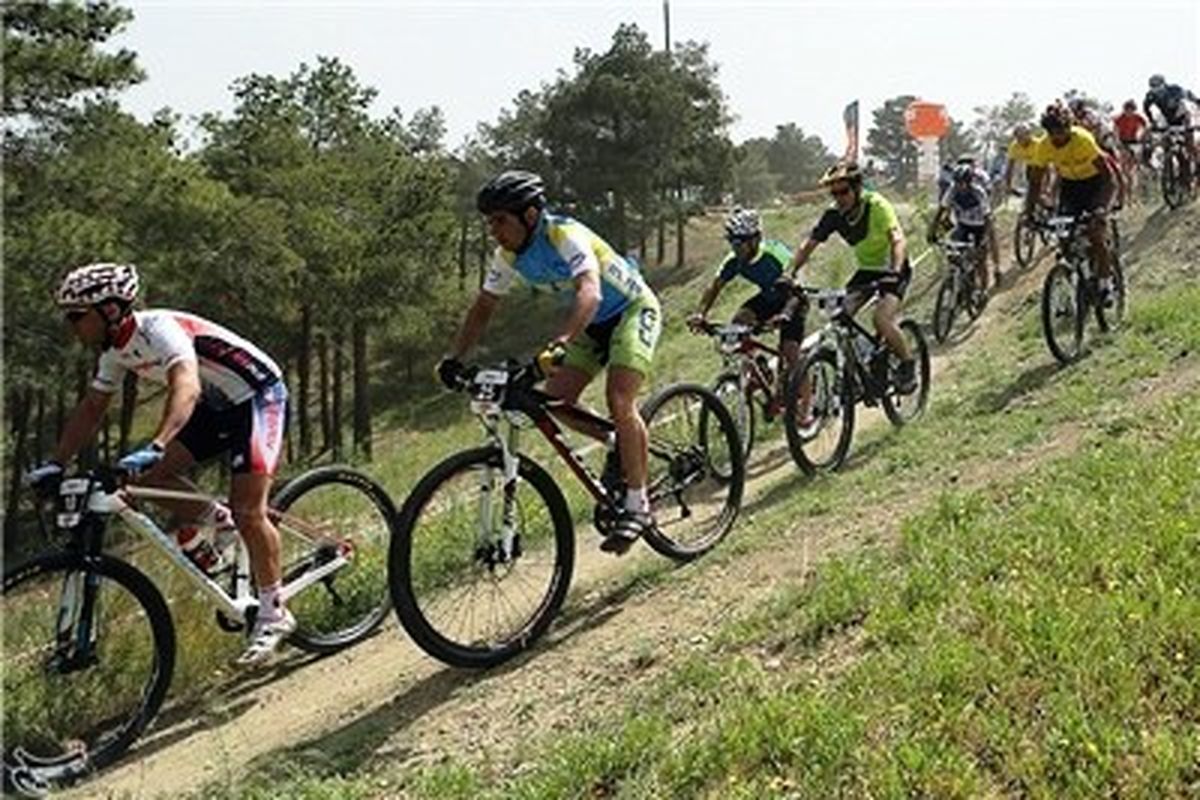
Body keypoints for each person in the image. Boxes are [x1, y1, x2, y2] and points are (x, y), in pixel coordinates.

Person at [26, 263, 294, 666]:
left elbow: (187, 386)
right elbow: (92, 408)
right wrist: (55, 463)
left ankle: (275, 613)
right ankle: (218, 520)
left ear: (111, 310)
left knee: (248, 510)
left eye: (77, 316)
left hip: (257, 396)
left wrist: (157, 441)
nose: (72, 326)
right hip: (217, 406)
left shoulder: (159, 330)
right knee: (156, 477)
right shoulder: (115, 352)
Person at [438, 170, 662, 555]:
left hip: (631, 309)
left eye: (500, 220)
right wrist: (455, 358)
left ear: (528, 216)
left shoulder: (564, 234)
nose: (493, 230)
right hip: (592, 327)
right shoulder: (508, 255)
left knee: (620, 399)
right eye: (489, 222)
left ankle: (639, 503)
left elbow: (589, 293)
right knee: (556, 400)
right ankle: (615, 441)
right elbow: (483, 307)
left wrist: (558, 344)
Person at [786, 161, 918, 394]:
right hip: (867, 270)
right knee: (839, 316)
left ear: (857, 188)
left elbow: (898, 239)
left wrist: (895, 273)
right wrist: (790, 273)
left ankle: (907, 364)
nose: (838, 197)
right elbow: (809, 243)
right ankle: (857, 370)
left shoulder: (876, 205)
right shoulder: (834, 214)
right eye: (834, 192)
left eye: (843, 191)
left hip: (893, 268)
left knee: (881, 320)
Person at [687, 208, 799, 418]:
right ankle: (758, 369)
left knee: (791, 353)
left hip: (793, 300)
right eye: (732, 242)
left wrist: (785, 314)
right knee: (738, 323)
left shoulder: (775, 253)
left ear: (755, 239)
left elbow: (796, 282)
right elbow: (714, 287)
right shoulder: (733, 261)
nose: (735, 248)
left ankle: (807, 409)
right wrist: (700, 314)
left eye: (739, 242)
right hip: (767, 299)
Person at [1024, 105, 1120, 299]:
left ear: (1069, 128)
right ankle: (1076, 283)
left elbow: (1109, 178)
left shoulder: (1083, 140)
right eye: (1053, 134)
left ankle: (1106, 283)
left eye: (1062, 132)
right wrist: (1029, 213)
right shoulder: (1044, 146)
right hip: (1071, 187)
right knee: (1064, 237)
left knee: (1096, 234)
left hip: (1096, 184)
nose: (1058, 138)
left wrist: (1102, 208)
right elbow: (1035, 182)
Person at [928, 163, 1001, 292]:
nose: (960, 186)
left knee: (980, 259)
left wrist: (984, 240)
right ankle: (957, 277)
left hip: (980, 226)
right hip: (963, 225)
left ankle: (983, 290)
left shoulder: (979, 192)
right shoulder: (952, 190)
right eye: (957, 182)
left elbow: (988, 219)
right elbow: (941, 210)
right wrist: (932, 231)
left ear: (970, 182)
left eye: (963, 183)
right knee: (952, 251)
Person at [1143, 73, 1199, 180]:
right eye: (1153, 87)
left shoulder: (1175, 89)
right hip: (1169, 120)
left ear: (1164, 84)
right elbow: (1146, 108)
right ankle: (1167, 166)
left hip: (1183, 117)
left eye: (1158, 87)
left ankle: (1197, 161)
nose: (1156, 91)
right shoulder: (1151, 95)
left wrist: (1190, 123)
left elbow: (1189, 100)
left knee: (1189, 140)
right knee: (1164, 140)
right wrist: (1152, 122)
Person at [1112, 100, 1149, 197]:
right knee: (1124, 168)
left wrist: (1142, 135)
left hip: (1135, 142)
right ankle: (1126, 191)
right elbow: (1115, 130)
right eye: (1127, 110)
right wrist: (1117, 141)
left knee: (1133, 168)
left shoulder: (1138, 117)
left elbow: (1146, 126)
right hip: (1123, 142)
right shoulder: (1119, 118)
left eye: (1131, 110)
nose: (1129, 112)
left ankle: (1135, 187)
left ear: (1134, 110)